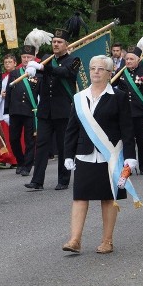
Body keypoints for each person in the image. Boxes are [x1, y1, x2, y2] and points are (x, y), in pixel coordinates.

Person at [61, 55, 136, 254]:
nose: (95, 72)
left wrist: (130, 156)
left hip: (110, 156)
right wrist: (68, 154)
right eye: (93, 68)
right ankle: (75, 239)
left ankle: (107, 240)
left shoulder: (118, 96)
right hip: (84, 154)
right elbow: (72, 128)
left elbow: (127, 128)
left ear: (110, 73)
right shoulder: (80, 97)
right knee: (80, 196)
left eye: (101, 69)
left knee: (108, 197)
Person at [23, 14, 84, 190]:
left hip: (63, 109)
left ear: (66, 45)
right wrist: (35, 73)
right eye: (54, 41)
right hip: (45, 110)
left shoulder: (74, 60)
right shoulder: (46, 57)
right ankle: (37, 180)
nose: (55, 44)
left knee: (64, 145)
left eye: (59, 42)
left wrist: (42, 68)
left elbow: (65, 73)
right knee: (41, 144)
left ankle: (63, 179)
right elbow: (43, 76)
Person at [114, 46, 143, 174]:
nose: (128, 61)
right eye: (127, 59)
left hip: (140, 113)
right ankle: (129, 166)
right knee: (127, 141)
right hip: (125, 113)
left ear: (138, 60)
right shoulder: (121, 72)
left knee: (142, 141)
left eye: (131, 59)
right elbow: (111, 85)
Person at [5, 45, 40, 177]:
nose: (26, 59)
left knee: (30, 140)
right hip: (15, 110)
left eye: (29, 57)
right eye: (24, 57)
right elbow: (8, 92)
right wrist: (6, 111)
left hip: (30, 110)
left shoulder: (38, 73)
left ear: (34, 58)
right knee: (14, 139)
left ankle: (27, 166)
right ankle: (20, 161)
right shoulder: (14, 73)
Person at [0, 54, 18, 168]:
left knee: (14, 136)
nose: (8, 64)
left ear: (15, 63)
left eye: (10, 62)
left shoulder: (19, 74)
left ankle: (15, 159)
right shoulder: (2, 77)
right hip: (2, 109)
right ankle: (3, 158)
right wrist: (0, 95)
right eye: (6, 62)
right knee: (3, 136)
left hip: (14, 109)